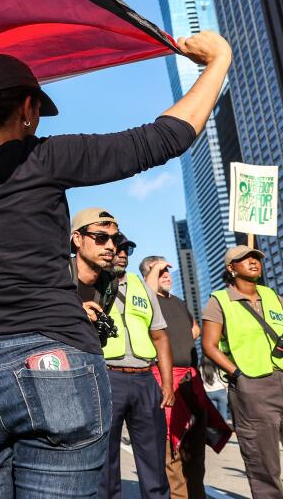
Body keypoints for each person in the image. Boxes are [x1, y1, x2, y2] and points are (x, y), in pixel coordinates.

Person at [0, 31, 231, 496]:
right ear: (27, 109)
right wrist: (218, 62)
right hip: (54, 360)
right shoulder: (46, 157)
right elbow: (163, 138)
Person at [201, 246, 283, 499]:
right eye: (244, 259)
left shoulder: (274, 297)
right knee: (263, 466)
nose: (253, 262)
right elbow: (209, 346)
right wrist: (239, 375)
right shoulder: (218, 301)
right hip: (253, 388)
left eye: (256, 258)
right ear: (231, 268)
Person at [72, 210, 173, 499]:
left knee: (155, 464)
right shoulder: (90, 282)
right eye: (115, 245)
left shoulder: (142, 287)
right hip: (106, 377)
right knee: (105, 467)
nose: (120, 252)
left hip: (144, 380)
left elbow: (160, 335)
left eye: (125, 246)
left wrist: (166, 384)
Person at [141, 255, 209, 499]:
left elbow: (195, 329)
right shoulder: (145, 301)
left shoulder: (178, 302)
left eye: (168, 270)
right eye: (159, 271)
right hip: (164, 378)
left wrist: (186, 336)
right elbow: (146, 294)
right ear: (147, 277)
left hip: (191, 379)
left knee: (195, 451)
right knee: (173, 452)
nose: (166, 274)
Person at [200, 360, 229, 424]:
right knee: (223, 414)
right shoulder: (217, 366)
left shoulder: (201, 368)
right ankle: (224, 431)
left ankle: (215, 432)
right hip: (221, 391)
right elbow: (222, 379)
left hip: (208, 393)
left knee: (214, 416)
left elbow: (201, 381)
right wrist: (226, 387)